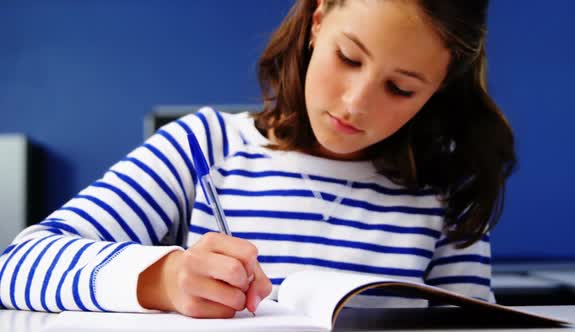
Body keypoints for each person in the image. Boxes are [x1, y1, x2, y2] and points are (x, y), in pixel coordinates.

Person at [0, 0, 516, 319]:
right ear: (317, 22)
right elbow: (17, 266)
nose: (356, 103)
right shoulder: (207, 146)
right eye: (348, 58)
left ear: (437, 91)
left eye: (401, 88)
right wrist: (165, 279)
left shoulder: (445, 190)